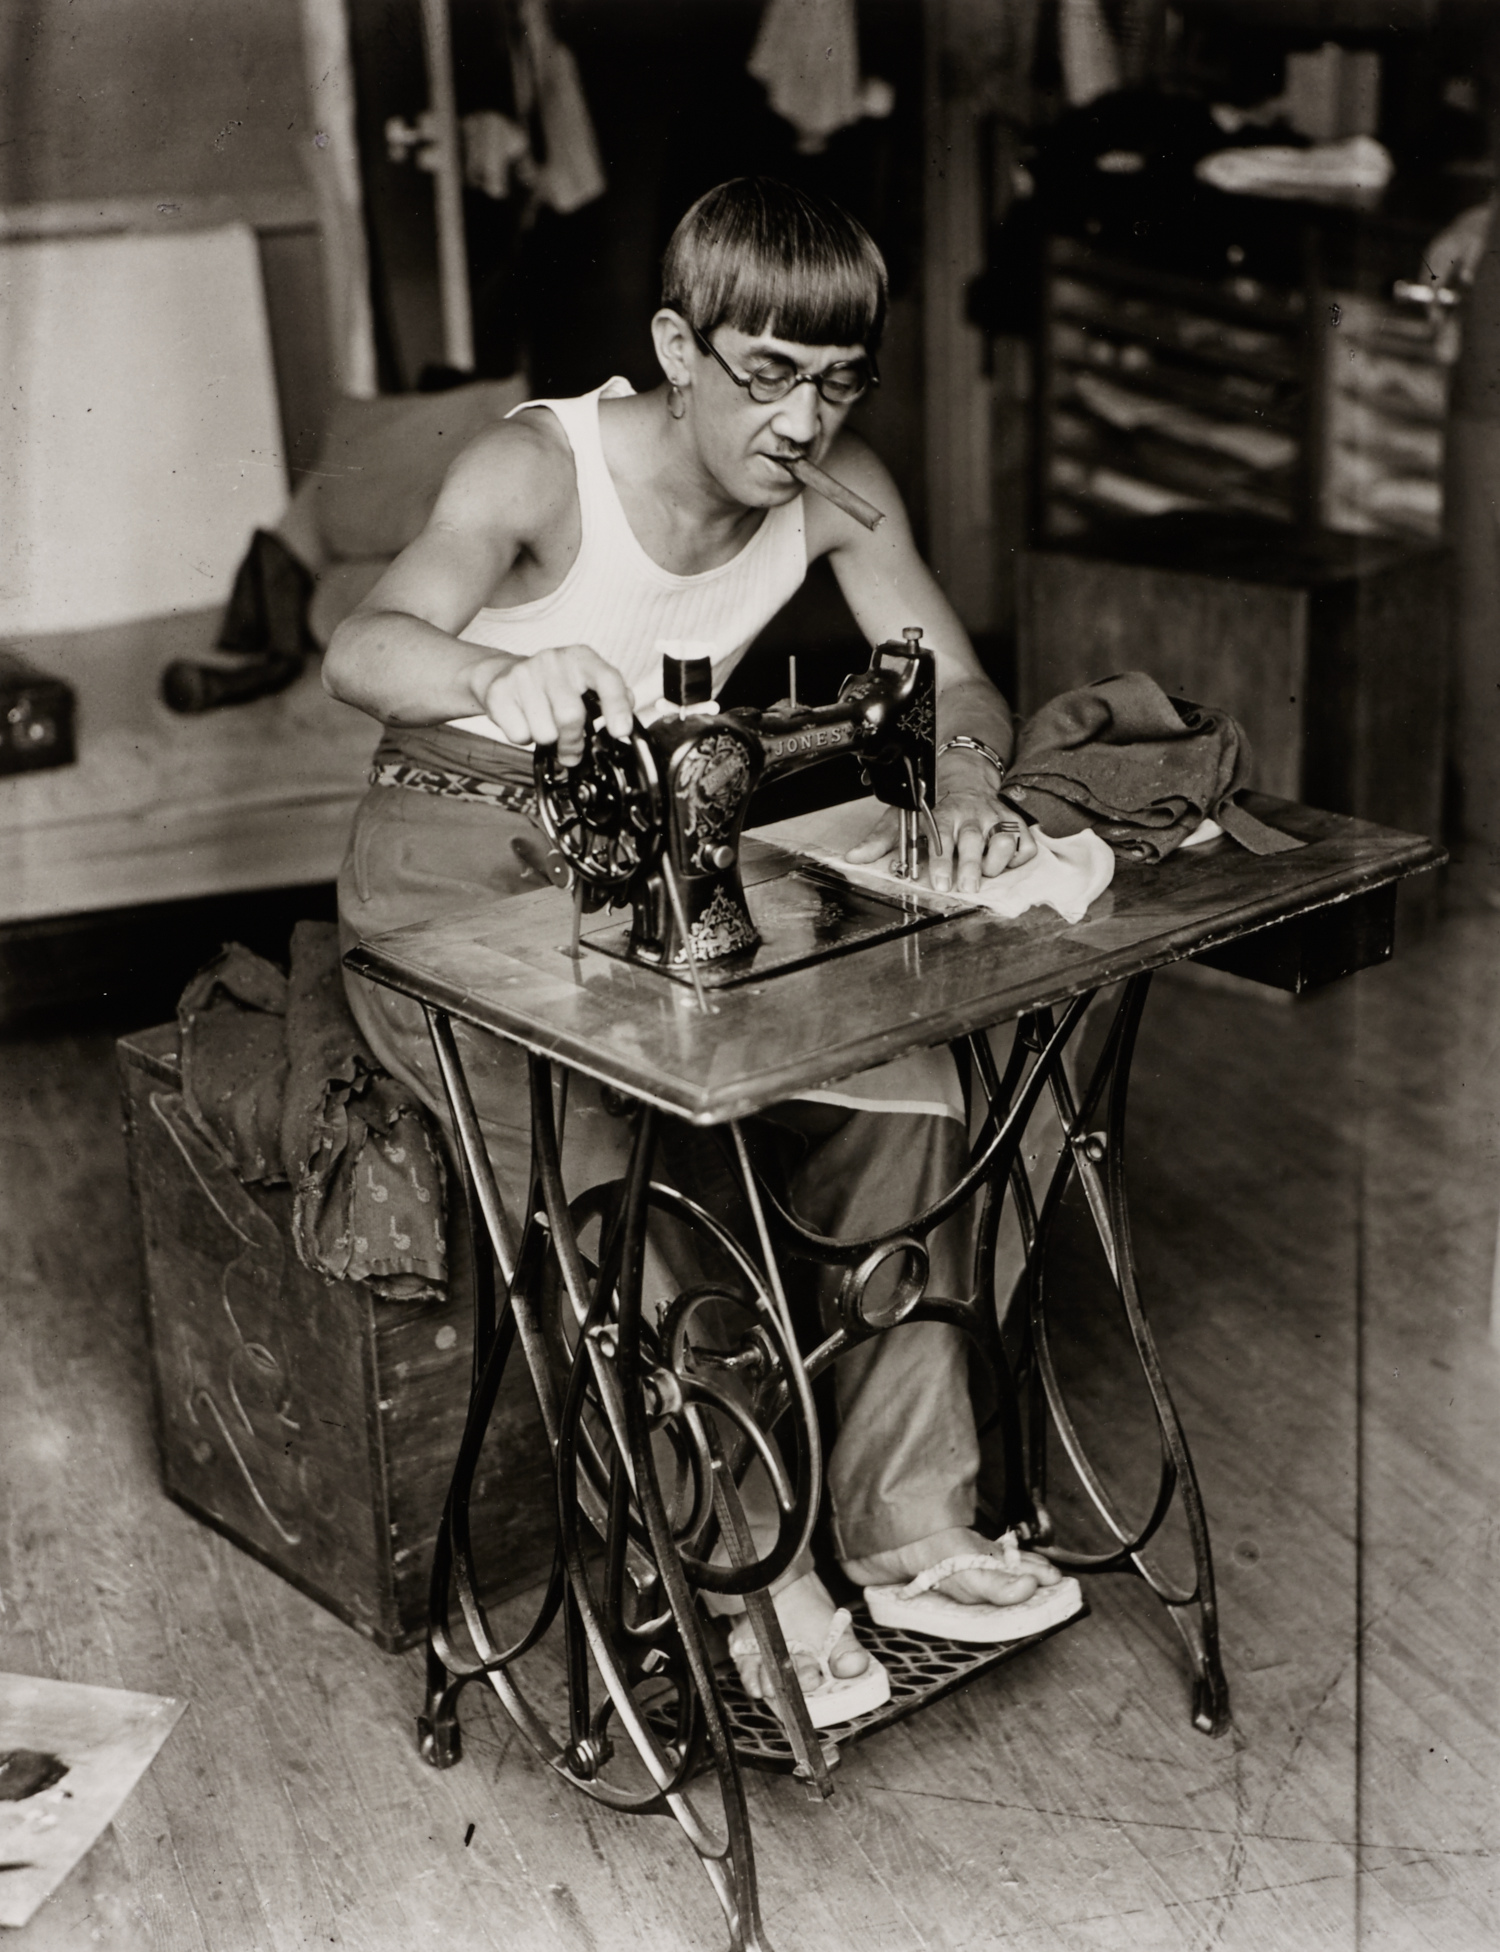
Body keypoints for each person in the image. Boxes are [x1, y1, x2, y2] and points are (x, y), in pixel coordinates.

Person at [324, 177, 1073, 1726]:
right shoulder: (540, 467)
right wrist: (496, 677)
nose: (805, 423)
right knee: (610, 1179)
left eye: (840, 381)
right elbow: (363, 647)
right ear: (678, 345)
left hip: (649, 870)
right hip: (449, 873)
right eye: (768, 375)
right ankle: (745, 1574)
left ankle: (909, 1524)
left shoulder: (837, 484)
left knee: (912, 1094)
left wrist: (968, 790)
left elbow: (954, 679)